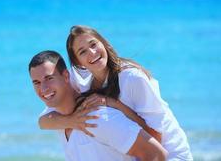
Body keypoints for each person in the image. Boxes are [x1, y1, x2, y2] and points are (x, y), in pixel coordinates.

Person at [39, 25, 193, 160]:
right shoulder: (79, 79)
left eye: (93, 44)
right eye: (83, 52)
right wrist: (73, 121)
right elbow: (44, 121)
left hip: (171, 155)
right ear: (78, 62)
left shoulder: (132, 78)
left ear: (104, 43)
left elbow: (156, 139)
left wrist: (114, 104)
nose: (92, 53)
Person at [29, 50, 167, 161]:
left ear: (66, 76)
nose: (44, 88)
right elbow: (42, 122)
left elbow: (155, 154)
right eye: (36, 82)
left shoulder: (98, 117)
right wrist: (70, 121)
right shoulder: (60, 118)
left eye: (49, 78)